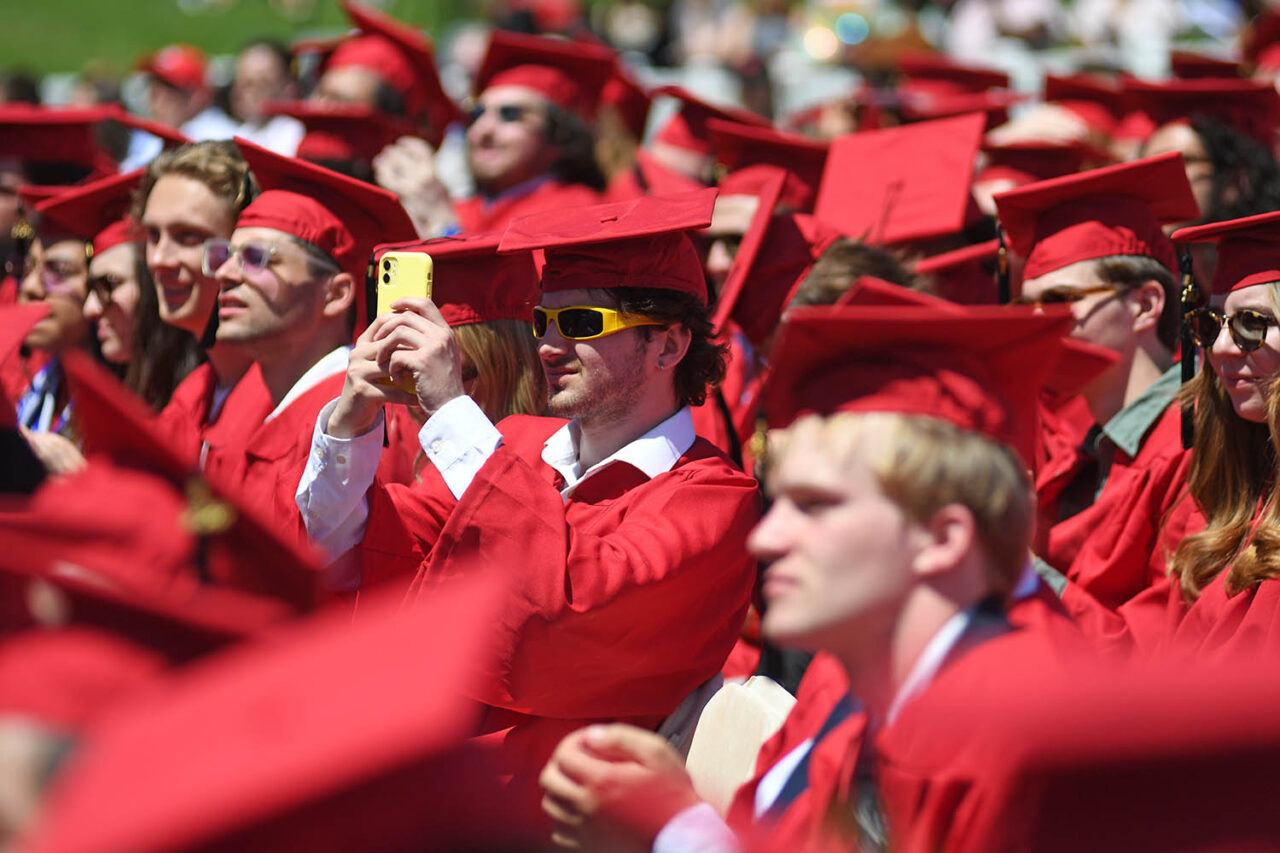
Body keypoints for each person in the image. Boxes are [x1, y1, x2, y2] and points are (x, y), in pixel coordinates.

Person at [538, 300, 1085, 852]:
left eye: (816, 506)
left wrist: (677, 828)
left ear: (944, 538)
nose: (766, 539)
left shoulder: (1028, 734)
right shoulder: (848, 674)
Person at [296, 190, 759, 821]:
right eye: (543, 320)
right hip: (438, 790)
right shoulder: (517, 444)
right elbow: (358, 554)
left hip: (571, 823)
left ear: (669, 346)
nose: (547, 344)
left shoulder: (711, 498)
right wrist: (350, 420)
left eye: (582, 324)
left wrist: (452, 412)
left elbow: (568, 609)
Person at [994, 153, 1201, 610]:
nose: (1034, 323)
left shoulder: (1196, 449)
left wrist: (1015, 567)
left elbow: (1158, 652)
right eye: (1024, 306)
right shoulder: (1078, 459)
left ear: (1145, 305)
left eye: (1058, 300)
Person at [197, 137, 418, 554]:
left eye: (256, 257)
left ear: (335, 294)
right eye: (227, 254)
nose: (224, 272)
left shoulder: (363, 422)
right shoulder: (248, 397)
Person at [387, 31, 614, 237]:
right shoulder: (461, 207)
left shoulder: (579, 211)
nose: (482, 130)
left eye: (510, 114)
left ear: (559, 135)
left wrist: (444, 226)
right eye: (476, 115)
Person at [135, 140, 267, 463]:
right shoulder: (192, 398)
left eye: (188, 236)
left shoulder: (298, 405)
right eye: (153, 236)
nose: (159, 259)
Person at [230, 39, 304, 156]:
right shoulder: (240, 134)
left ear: (288, 89)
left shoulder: (298, 138)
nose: (243, 92)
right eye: (241, 82)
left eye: (259, 83)